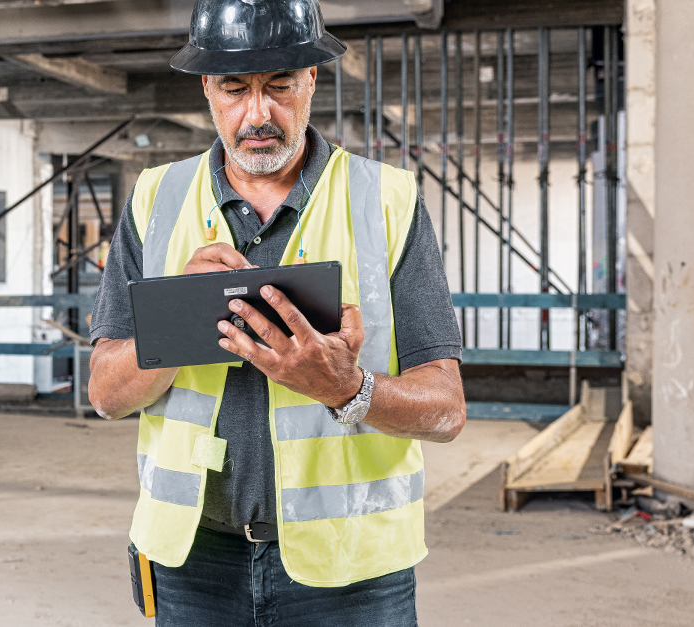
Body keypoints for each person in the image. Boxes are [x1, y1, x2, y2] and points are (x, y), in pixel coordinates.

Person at [87, 0, 465, 624]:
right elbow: (106, 393)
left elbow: (446, 410)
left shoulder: (386, 200)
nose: (258, 114)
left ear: (312, 80)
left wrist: (350, 389)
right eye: (235, 89)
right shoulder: (156, 200)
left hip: (352, 570)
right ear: (208, 87)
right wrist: (180, 317)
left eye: (279, 87)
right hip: (193, 564)